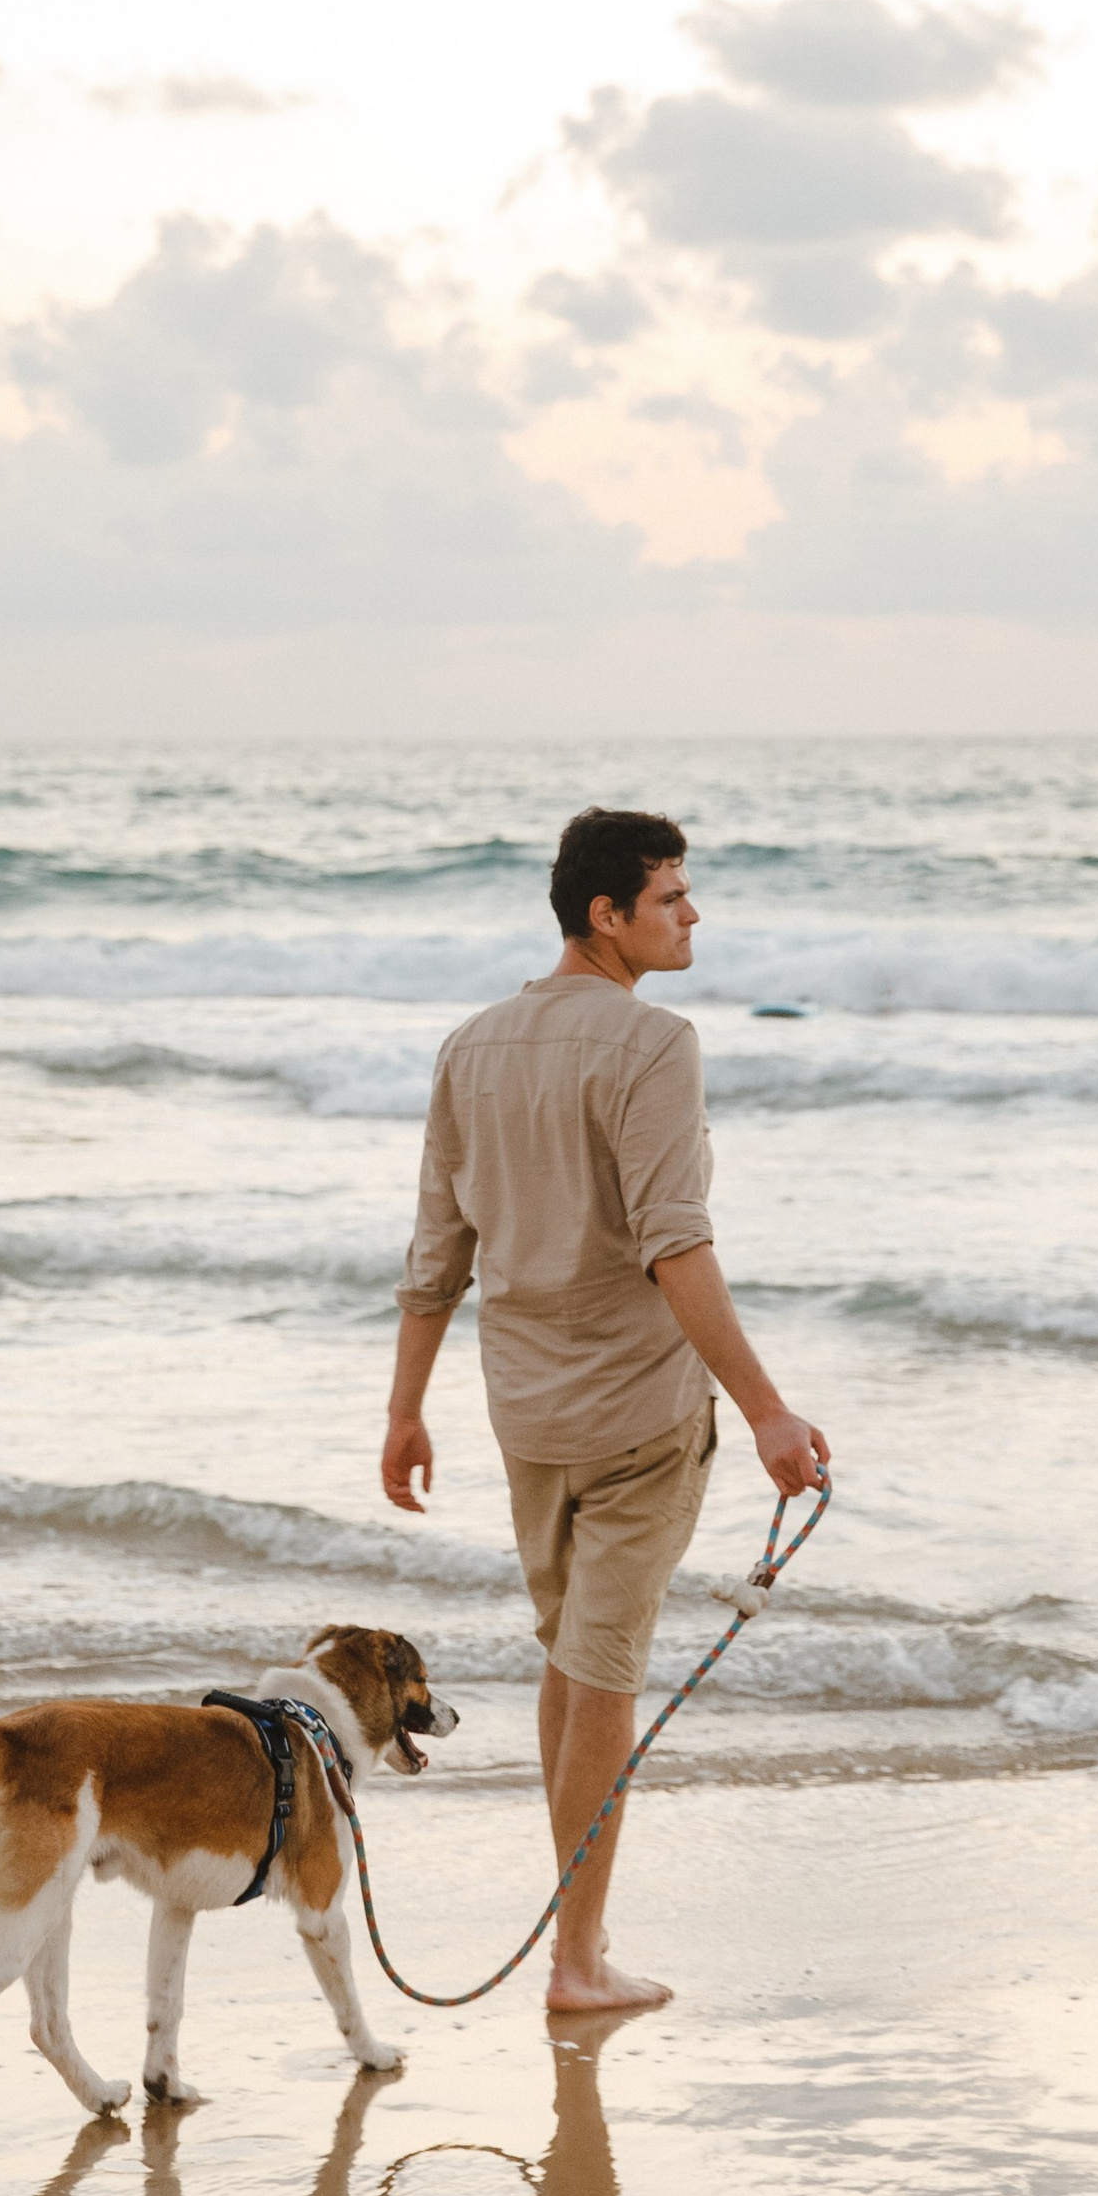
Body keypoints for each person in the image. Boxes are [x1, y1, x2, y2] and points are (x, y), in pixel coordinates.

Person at [381, 806, 828, 2019]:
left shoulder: (471, 1045)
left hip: (524, 1413)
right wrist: (771, 1413)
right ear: (605, 914)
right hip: (636, 1416)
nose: (692, 916)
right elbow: (675, 1248)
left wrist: (404, 1412)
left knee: (573, 1663)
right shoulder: (652, 1044)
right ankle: (577, 1965)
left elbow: (437, 1251)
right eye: (672, 896)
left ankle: (579, 1944)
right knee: (602, 1672)